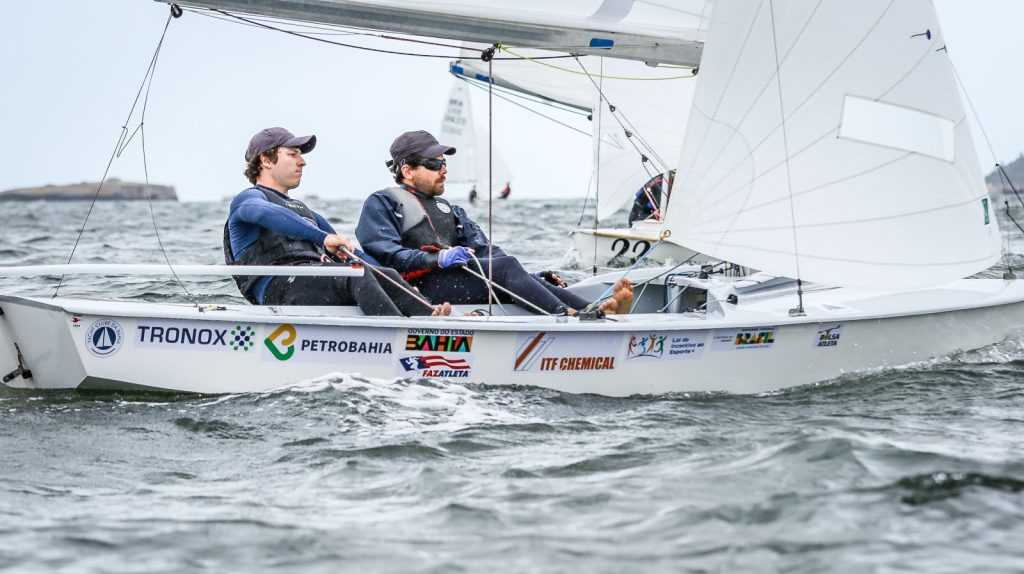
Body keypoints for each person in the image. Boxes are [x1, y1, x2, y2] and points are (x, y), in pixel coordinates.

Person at [355, 130, 632, 315]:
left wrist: (531, 279)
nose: (444, 169)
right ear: (407, 170)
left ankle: (595, 309)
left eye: (444, 162)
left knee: (505, 263)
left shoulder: (449, 209)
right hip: (418, 288)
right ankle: (573, 315)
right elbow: (385, 254)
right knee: (506, 267)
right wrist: (438, 259)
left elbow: (485, 251)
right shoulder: (382, 202)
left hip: (460, 279)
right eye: (434, 163)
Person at [224, 127, 450, 316]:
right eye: (293, 154)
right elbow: (264, 213)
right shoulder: (248, 200)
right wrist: (323, 238)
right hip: (278, 290)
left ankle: (431, 316)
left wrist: (400, 285)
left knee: (382, 273)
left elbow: (353, 254)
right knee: (355, 275)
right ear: (266, 159)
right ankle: (406, 336)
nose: (302, 162)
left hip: (313, 280)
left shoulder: (305, 212)